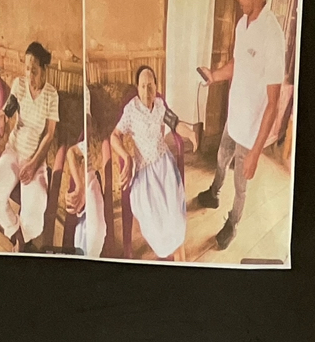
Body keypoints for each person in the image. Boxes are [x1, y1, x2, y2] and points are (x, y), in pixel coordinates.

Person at [193, 0, 286, 251]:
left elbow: (273, 102)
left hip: (251, 130)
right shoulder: (242, 23)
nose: (238, 1)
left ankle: (233, 224)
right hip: (234, 117)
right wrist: (214, 75)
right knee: (221, 157)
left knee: (241, 185)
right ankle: (214, 193)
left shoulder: (272, 35)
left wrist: (255, 153)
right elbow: (237, 63)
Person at [111, 65, 197, 262]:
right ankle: (177, 257)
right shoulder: (131, 110)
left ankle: (179, 258)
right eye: (142, 86)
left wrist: (191, 133)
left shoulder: (159, 105)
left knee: (174, 215)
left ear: (156, 86)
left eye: (150, 86)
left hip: (165, 167)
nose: (147, 91)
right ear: (137, 87)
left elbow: (175, 123)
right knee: (156, 219)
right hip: (145, 175)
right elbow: (114, 136)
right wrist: (127, 156)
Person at [0, 40, 59, 247]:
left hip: (34, 157)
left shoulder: (51, 95)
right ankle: (18, 235)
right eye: (27, 69)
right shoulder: (19, 85)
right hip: (13, 151)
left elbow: (49, 135)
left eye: (34, 71)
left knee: (34, 210)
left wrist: (33, 164)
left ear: (44, 70)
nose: (29, 75)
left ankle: (23, 239)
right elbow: (5, 114)